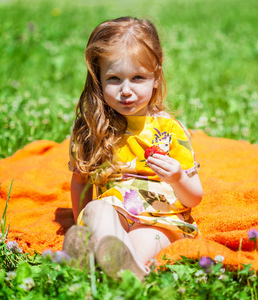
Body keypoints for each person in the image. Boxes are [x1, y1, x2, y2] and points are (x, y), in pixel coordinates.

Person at [63, 16, 203, 280]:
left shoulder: (170, 130)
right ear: (98, 79)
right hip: (113, 214)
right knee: (96, 210)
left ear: (155, 78)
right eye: (114, 78)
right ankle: (100, 252)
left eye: (137, 77)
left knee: (143, 239)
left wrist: (177, 178)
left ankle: (120, 271)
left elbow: (194, 197)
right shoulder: (91, 128)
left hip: (161, 220)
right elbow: (81, 181)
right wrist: (78, 218)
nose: (125, 90)